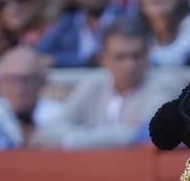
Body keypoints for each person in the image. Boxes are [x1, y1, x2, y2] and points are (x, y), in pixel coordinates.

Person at [37, 16, 176, 149]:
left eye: (136, 55)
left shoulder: (164, 85)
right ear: (104, 59)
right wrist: (81, 138)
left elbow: (142, 133)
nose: (129, 65)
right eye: (120, 57)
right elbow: (51, 128)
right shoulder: (93, 84)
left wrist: (76, 138)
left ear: (147, 55)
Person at [0, 45, 57, 143]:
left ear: (42, 81)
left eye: (26, 79)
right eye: (12, 80)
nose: (20, 88)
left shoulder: (59, 118)